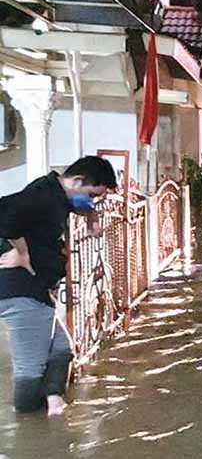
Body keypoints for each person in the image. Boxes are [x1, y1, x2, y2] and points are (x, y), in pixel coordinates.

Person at [0, 156, 116, 416]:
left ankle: (53, 405)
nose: (91, 202)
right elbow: (5, 215)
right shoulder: (43, 195)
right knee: (30, 368)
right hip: (21, 290)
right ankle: (29, 429)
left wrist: (91, 215)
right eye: (91, 195)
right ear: (76, 181)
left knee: (61, 348)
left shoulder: (57, 194)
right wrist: (21, 252)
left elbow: (78, 204)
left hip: (34, 289)